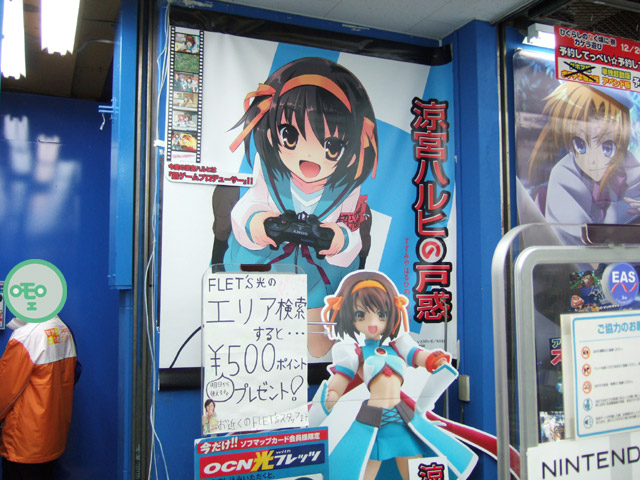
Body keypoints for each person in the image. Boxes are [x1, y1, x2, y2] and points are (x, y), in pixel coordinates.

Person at [221, 57, 379, 357]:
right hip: (266, 262)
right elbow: (249, 205)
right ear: (272, 134)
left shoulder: (347, 186)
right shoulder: (269, 170)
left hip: (317, 272)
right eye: (290, 136)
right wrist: (259, 223)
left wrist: (337, 238)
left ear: (351, 151)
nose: (310, 160)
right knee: (252, 332)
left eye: (331, 146)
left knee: (318, 347)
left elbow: (352, 230)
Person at [317, 271, 477, 480]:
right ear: (350, 317)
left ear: (391, 313)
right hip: (372, 421)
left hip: (401, 418)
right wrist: (332, 395)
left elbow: (419, 355)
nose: (373, 323)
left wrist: (434, 360)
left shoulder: (397, 346)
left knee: (415, 469)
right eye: (361, 315)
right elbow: (341, 379)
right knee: (362, 470)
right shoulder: (355, 352)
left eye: (381, 314)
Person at [527, 82, 640, 245]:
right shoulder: (565, 175)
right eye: (580, 145)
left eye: (607, 147)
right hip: (572, 258)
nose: (593, 160)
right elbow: (590, 240)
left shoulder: (626, 164)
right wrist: (616, 210)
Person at [0, 315, 77, 480]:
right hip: (52, 436)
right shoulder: (62, 329)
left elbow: (5, 390)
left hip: (23, 439)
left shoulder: (27, 335)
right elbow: (74, 374)